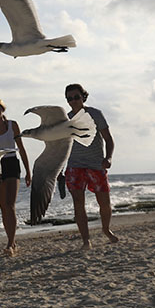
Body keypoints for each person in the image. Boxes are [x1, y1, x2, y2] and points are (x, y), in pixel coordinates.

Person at [63, 84, 118, 249]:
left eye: (76, 97)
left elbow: (108, 139)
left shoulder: (95, 114)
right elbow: (61, 146)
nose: (73, 101)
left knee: (104, 202)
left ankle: (106, 230)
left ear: (83, 97)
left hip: (96, 164)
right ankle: (86, 240)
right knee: (78, 203)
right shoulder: (66, 120)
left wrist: (108, 157)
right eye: (69, 98)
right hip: (74, 165)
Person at [0, 97, 33, 256]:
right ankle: (12, 241)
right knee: (4, 207)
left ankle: (10, 243)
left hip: (11, 164)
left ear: (3, 109)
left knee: (10, 204)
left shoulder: (13, 125)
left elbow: (21, 149)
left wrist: (28, 171)